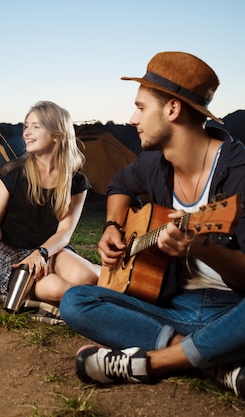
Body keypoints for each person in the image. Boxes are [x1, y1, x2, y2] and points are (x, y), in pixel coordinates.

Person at [59, 51, 245, 398]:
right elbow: (120, 186)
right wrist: (113, 225)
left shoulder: (239, 174)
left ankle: (153, 363)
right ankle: (212, 359)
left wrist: (204, 247)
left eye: (141, 108)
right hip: (171, 306)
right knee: (75, 301)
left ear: (172, 109)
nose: (132, 119)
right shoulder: (153, 163)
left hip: (233, 311)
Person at [0, 101, 100, 305]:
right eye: (26, 125)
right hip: (17, 261)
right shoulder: (10, 172)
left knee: (87, 277)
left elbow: (64, 233)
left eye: (36, 126)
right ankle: (100, 300)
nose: (27, 132)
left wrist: (42, 253)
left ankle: (114, 281)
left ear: (56, 134)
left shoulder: (76, 181)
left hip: (52, 252)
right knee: (59, 289)